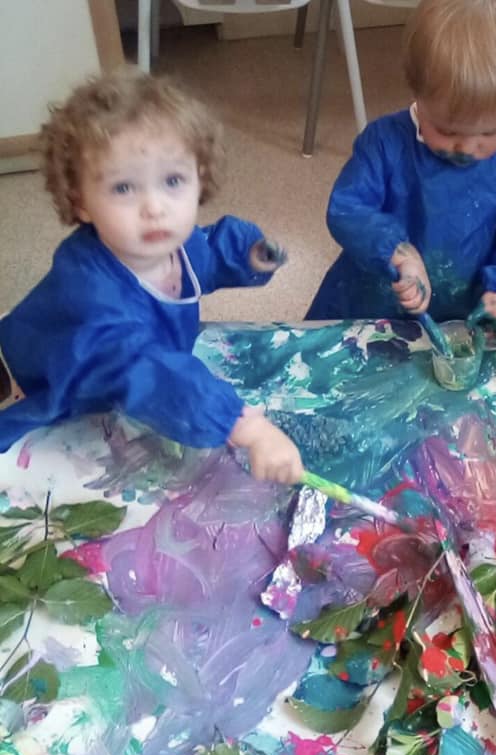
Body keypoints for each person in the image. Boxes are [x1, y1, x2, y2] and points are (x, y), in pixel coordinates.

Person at [0, 67, 303, 483]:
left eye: (173, 181)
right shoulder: (89, 288)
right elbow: (144, 367)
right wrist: (242, 425)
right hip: (50, 386)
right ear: (80, 202)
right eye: (124, 188)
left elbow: (209, 252)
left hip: (128, 386)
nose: (155, 207)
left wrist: (247, 256)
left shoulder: (171, 245)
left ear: (200, 179)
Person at [304, 0, 496, 331]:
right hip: (378, 300)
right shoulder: (384, 142)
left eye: (489, 131)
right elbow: (347, 209)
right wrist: (398, 252)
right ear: (417, 96)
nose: (467, 147)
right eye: (448, 131)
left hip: (472, 305)